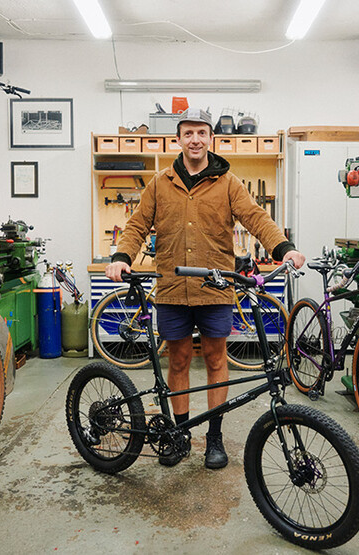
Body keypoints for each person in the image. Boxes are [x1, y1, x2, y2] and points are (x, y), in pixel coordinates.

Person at [106, 108, 305, 469]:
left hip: (215, 290)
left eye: (202, 132)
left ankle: (214, 436)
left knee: (215, 359)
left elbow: (256, 218)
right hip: (172, 288)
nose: (195, 139)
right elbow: (136, 225)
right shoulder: (160, 182)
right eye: (188, 133)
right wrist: (122, 255)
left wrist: (284, 249)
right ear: (178, 139)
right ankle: (180, 435)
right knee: (179, 360)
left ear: (210, 138)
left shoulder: (228, 182)